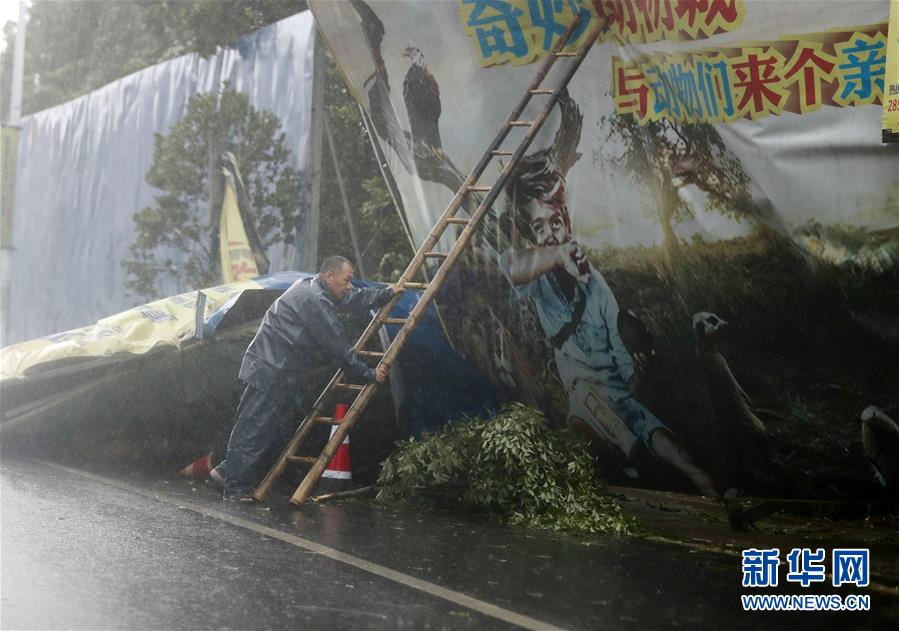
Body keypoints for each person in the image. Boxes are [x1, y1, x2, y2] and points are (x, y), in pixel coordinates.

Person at [501, 171, 718, 496]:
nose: (549, 234)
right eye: (538, 227)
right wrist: (558, 256)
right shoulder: (536, 276)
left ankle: (718, 498)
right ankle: (639, 467)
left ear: (568, 224)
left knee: (675, 451)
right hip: (583, 397)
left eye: (555, 223)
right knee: (595, 436)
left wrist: (641, 373)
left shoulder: (597, 287)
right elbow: (512, 267)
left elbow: (625, 367)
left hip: (618, 393)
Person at [212, 255, 402, 501]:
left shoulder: (317, 290)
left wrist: (385, 293)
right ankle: (235, 488)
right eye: (347, 280)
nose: (349, 286)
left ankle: (226, 472)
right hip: (270, 368)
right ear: (328, 276)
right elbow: (337, 347)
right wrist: (368, 373)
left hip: (281, 372)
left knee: (275, 431)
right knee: (255, 429)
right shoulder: (315, 300)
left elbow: (353, 298)